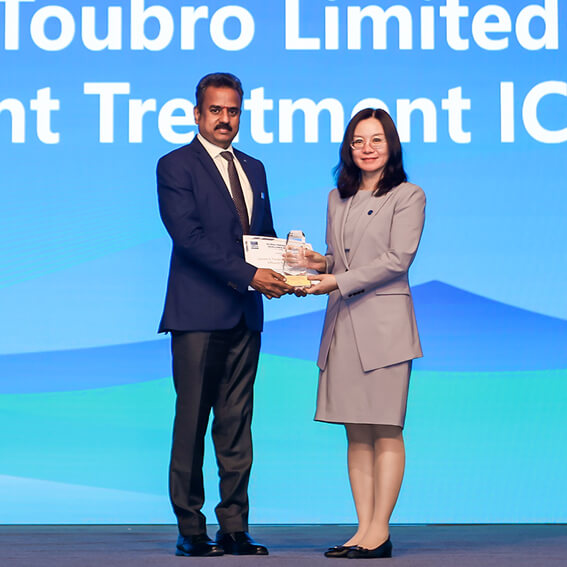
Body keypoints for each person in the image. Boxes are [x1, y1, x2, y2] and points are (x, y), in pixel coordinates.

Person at [157, 72, 292, 557]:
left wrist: (291, 269)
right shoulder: (175, 165)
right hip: (197, 314)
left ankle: (234, 527)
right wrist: (252, 275)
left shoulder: (254, 167)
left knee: (237, 425)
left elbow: (262, 237)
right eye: (215, 110)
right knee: (192, 423)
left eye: (232, 111)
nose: (224, 119)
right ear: (197, 114)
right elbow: (189, 239)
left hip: (244, 315)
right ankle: (191, 529)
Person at [301, 108, 425, 559]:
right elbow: (341, 259)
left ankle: (380, 531)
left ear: (391, 145)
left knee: (386, 429)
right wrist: (318, 263)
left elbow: (397, 260)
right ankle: (362, 529)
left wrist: (336, 279)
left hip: (385, 327)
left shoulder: (408, 195)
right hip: (343, 325)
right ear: (348, 148)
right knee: (356, 433)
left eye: (376, 140)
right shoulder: (337, 198)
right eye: (358, 141)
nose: (367, 148)